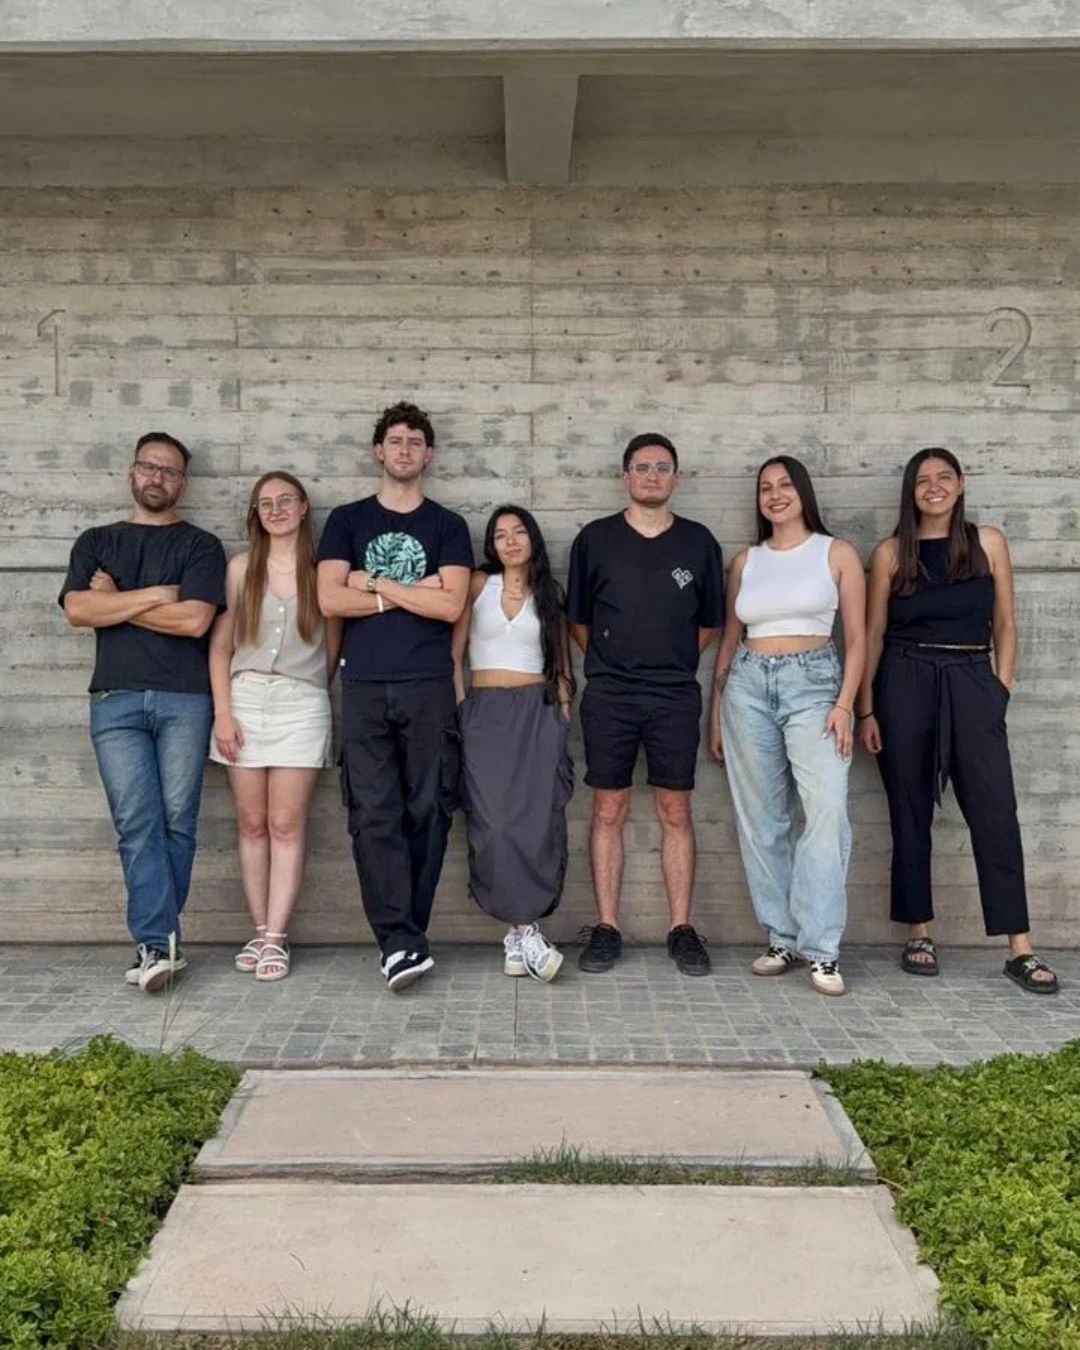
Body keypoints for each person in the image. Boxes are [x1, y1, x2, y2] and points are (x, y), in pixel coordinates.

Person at [858, 447, 1058, 994]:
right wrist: (867, 707)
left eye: (944, 477)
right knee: (909, 810)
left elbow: (1006, 624)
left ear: (961, 483)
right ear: (911, 490)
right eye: (922, 480)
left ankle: (1020, 947)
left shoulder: (987, 542)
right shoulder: (891, 553)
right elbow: (872, 636)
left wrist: (999, 691)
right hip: (904, 680)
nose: (934, 487)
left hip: (972, 677)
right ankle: (918, 932)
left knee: (995, 812)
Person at [59, 432, 226, 993]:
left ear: (183, 483)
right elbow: (78, 609)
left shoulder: (201, 546)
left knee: (177, 822)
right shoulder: (96, 541)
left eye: (169, 471)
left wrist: (117, 600)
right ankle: (159, 943)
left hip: (186, 699)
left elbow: (195, 622)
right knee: (136, 822)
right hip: (116, 700)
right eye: (149, 467)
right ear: (132, 472)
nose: (158, 477)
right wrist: (157, 595)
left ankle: (157, 945)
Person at [317, 401, 472, 992]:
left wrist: (375, 582)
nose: (404, 450)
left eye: (415, 442)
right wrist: (413, 590)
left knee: (428, 811)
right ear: (378, 451)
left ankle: (407, 938)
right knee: (373, 812)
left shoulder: (448, 525)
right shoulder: (347, 520)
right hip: (363, 684)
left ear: (428, 455)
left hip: (428, 684)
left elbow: (451, 605)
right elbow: (330, 599)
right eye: (395, 441)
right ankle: (399, 942)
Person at [567, 433, 724, 976]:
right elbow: (578, 620)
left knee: (675, 811)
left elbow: (709, 624)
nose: (652, 476)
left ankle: (681, 929)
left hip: (674, 695)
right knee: (607, 810)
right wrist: (613, 664)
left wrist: (671, 661)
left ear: (676, 477)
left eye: (662, 468)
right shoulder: (595, 540)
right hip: (609, 694)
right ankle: (607, 927)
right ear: (625, 476)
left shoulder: (699, 542)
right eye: (642, 467)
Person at [708, 457, 866, 996]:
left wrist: (844, 704)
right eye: (765, 488)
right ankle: (782, 937)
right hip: (747, 686)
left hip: (815, 684)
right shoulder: (746, 561)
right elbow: (729, 640)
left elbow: (857, 639)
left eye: (785, 485)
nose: (775, 495)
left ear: (803, 493)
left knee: (826, 812)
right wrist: (717, 709)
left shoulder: (836, 553)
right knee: (762, 819)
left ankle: (822, 949)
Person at [209, 472, 342, 982]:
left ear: (304, 507)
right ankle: (259, 926)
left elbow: (332, 648)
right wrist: (224, 713)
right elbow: (221, 647)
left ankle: (275, 938)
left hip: (300, 706)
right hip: (244, 701)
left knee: (286, 824)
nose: (276, 509)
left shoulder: (322, 573)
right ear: (256, 514)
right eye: (265, 503)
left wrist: (303, 689)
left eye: (286, 500)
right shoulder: (241, 568)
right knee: (251, 823)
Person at [452, 505, 575, 981]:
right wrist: (462, 706)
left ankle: (521, 934)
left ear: (533, 538)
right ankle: (525, 932)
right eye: (500, 534)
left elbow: (562, 662)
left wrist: (562, 714)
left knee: (536, 822)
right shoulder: (478, 586)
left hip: (536, 712)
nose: (510, 540)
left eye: (519, 531)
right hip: (484, 714)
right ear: (491, 544)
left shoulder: (550, 593)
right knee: (494, 825)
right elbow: (455, 654)